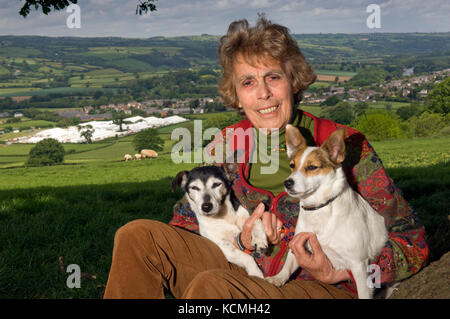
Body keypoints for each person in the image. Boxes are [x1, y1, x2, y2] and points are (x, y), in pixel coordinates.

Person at [103, 16, 429, 299]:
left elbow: (412, 242)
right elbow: (186, 224)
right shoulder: (227, 145)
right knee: (136, 237)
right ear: (237, 94)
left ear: (293, 80)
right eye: (248, 82)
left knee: (214, 287)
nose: (263, 93)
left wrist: (337, 271)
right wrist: (239, 236)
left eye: (273, 77)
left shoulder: (345, 145)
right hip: (237, 265)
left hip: (313, 285)